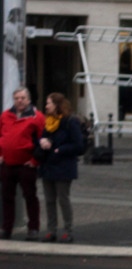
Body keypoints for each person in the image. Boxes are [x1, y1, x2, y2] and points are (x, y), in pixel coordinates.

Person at [36, 92, 85, 243]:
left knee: (63, 199)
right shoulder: (48, 122)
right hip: (48, 166)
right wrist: (43, 142)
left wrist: (60, 149)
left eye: (49, 103)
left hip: (63, 167)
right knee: (49, 200)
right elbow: (45, 137)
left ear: (57, 105)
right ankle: (51, 231)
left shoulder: (70, 122)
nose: (46, 106)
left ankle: (67, 231)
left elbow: (78, 145)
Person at [1, 87, 44, 240]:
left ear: (29, 99)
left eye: (23, 98)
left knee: (30, 197)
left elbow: (42, 140)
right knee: (7, 197)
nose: (20, 101)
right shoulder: (6, 115)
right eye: (17, 98)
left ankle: (33, 228)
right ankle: (7, 228)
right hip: (7, 163)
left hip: (26, 164)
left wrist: (35, 161)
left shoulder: (37, 117)